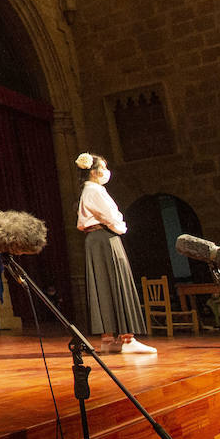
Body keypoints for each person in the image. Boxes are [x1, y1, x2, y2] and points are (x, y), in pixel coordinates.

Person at [74, 152, 155, 354]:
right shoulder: (95, 191)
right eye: (103, 167)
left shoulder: (89, 191)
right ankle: (127, 339)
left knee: (103, 284)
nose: (106, 171)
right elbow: (112, 217)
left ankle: (108, 339)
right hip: (105, 237)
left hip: (96, 240)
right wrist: (121, 227)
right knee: (117, 281)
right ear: (93, 172)